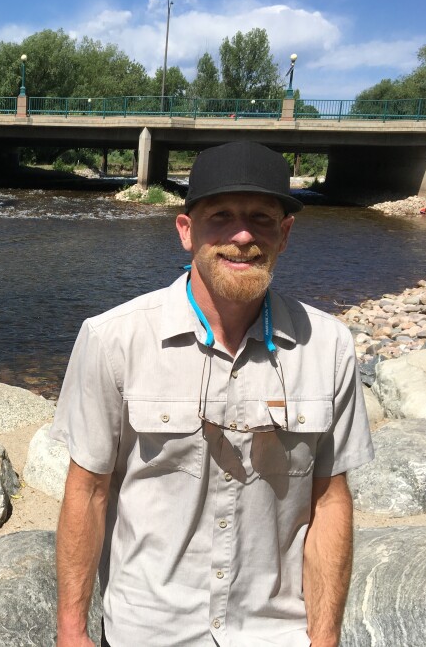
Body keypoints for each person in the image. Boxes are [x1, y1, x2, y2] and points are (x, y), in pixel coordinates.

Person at [52, 141, 374, 647]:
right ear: (186, 231)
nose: (242, 236)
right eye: (220, 216)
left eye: (262, 219)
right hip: (148, 629)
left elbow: (330, 500)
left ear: (284, 235)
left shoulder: (329, 346)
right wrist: (71, 631)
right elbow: (87, 492)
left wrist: (325, 636)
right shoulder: (112, 339)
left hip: (276, 631)